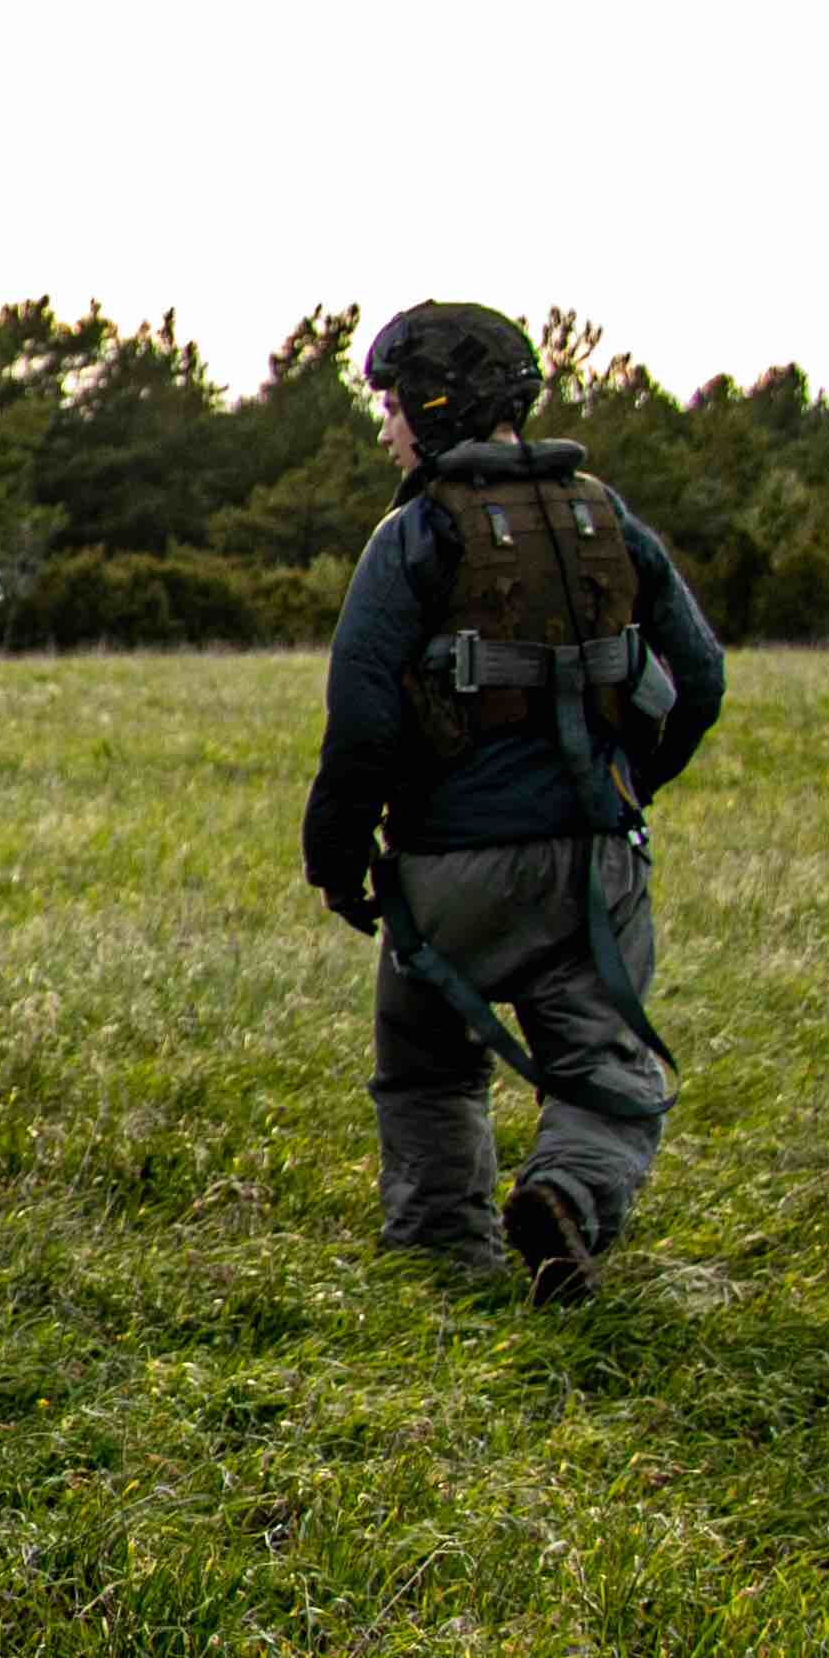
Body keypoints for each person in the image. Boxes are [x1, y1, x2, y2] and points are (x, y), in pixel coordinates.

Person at [301, 298, 729, 1300]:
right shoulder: (607, 517)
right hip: (591, 863)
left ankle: (443, 1264)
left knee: (426, 1069)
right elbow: (700, 677)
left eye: (396, 406)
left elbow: (361, 721)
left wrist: (336, 859)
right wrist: (630, 789)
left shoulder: (412, 535)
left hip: (445, 870)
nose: (389, 426)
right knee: (609, 1072)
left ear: (437, 410)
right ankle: (569, 1200)